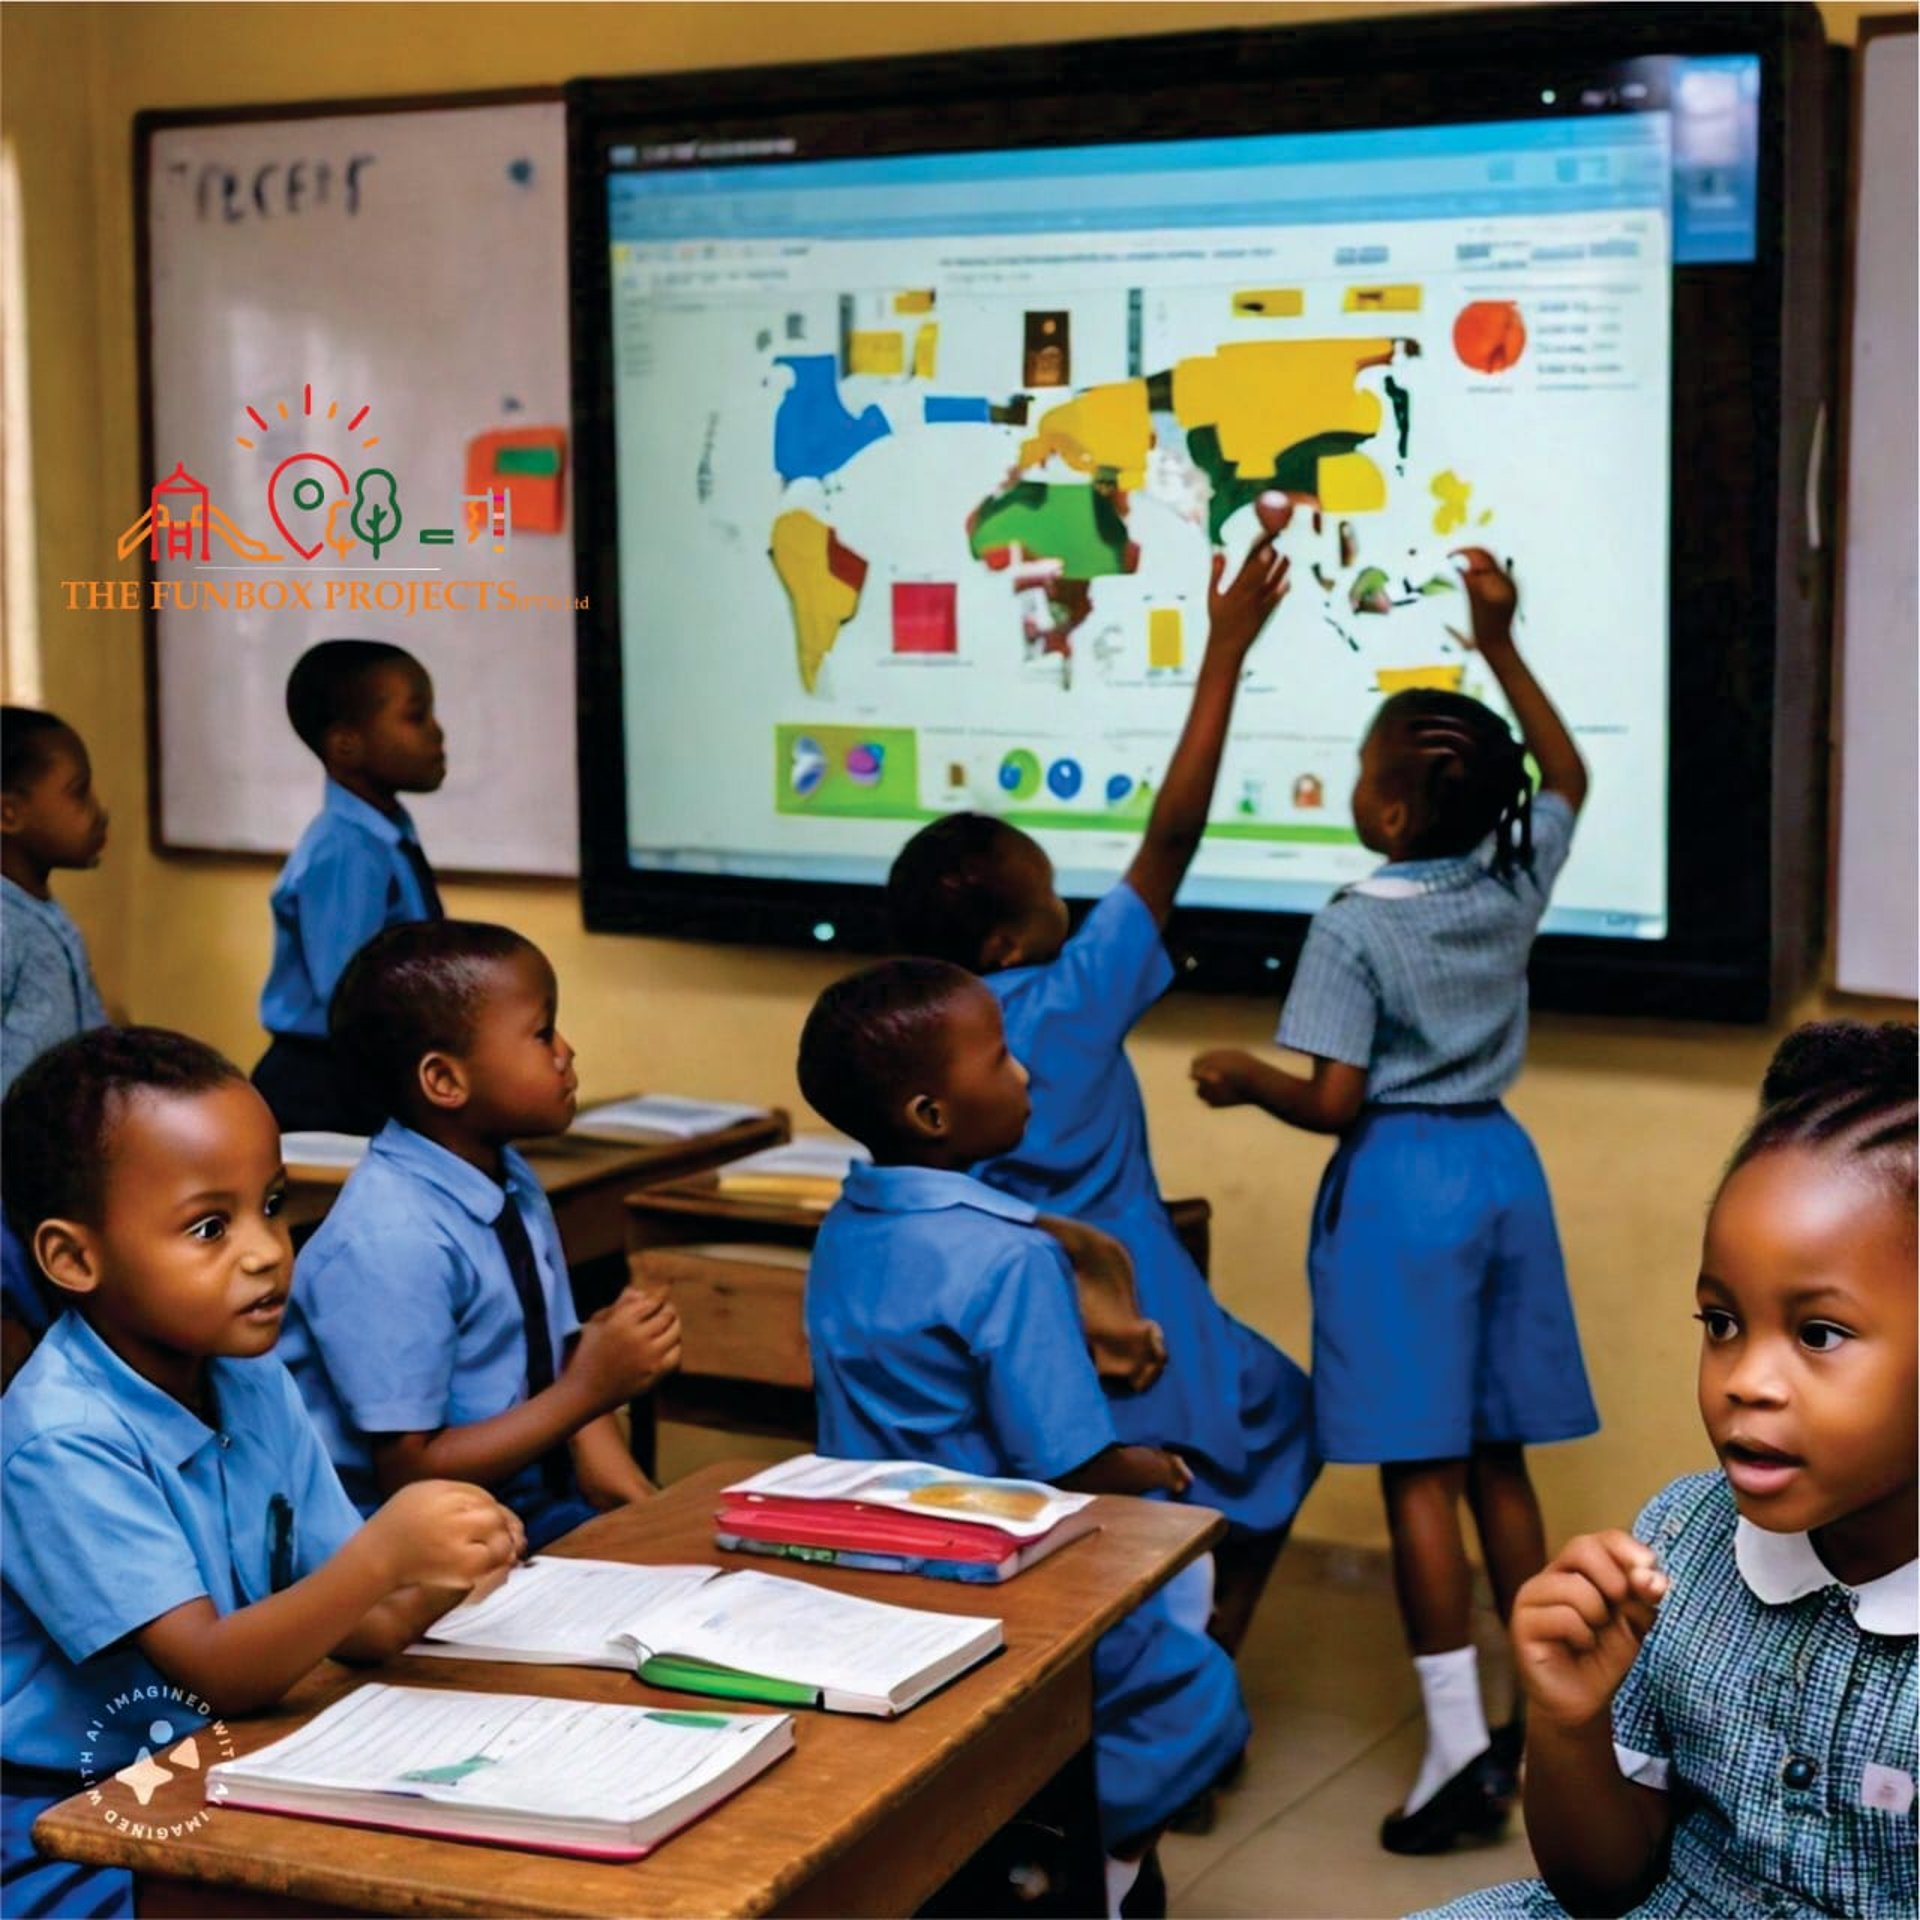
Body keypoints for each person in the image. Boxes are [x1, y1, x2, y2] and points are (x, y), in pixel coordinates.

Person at [1191, 548, 1597, 1851]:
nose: (1356, 790)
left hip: (1403, 1189)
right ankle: (1551, 1712)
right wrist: (1500, 641)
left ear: (1393, 815)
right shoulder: (1511, 872)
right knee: (1496, 1456)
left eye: (1368, 774)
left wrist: (1243, 1073)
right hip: (1500, 1169)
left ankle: (1452, 1752)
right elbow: (1571, 777)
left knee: (1418, 1473)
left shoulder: (1354, 921)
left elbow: (1332, 1101)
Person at [888, 512, 1318, 1661]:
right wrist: (1225, 648)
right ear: (1012, 941)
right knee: (1271, 1425)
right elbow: (1171, 835)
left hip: (1025, 1328)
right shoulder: (1072, 1001)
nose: (1069, 907)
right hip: (1142, 1314)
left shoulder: (919, 1045)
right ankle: (1199, 1665)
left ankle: (1159, 1689)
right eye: (1047, 897)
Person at [0, 1027, 522, 1919]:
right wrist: (386, 1558)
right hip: (69, 1817)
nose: (267, 1250)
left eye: (272, 1205)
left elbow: (353, 1624)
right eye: (211, 1226)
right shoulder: (61, 1435)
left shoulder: (249, 1379)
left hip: (226, 1760)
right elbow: (215, 1671)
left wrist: (445, 1570)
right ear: (74, 1259)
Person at [1413, 1020, 1916, 1920]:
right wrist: (1569, 1721)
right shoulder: (1681, 1538)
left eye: (1818, 1334)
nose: (1746, 1383)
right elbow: (1602, 1884)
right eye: (1722, 1322)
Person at [798, 958, 1250, 1918]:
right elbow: (1070, 1462)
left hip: (862, 1558)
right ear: (931, 1114)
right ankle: (1094, 1865)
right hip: (995, 1567)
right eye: (999, 1060)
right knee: (1191, 1691)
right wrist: (1157, 1467)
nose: (1026, 1075)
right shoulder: (1010, 1258)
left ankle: (1032, 1837)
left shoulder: (850, 1219)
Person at [280, 919, 680, 1550]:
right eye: (542, 1033)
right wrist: (593, 1386)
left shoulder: (506, 1177)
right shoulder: (393, 1239)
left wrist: (650, 1515)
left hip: (522, 1510)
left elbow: (563, 1367)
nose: (566, 1051)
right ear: (444, 1081)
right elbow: (411, 1472)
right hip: (403, 1548)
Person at [254, 640, 448, 1132]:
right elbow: (350, 993)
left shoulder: (384, 835)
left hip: (362, 1068)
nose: (437, 732)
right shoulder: (347, 850)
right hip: (326, 1083)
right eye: (416, 716)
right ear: (346, 745)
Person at [2, 707, 111, 1385]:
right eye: (77, 793)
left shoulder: (40, 909)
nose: (99, 812)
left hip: (47, 1165)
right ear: (8, 813)